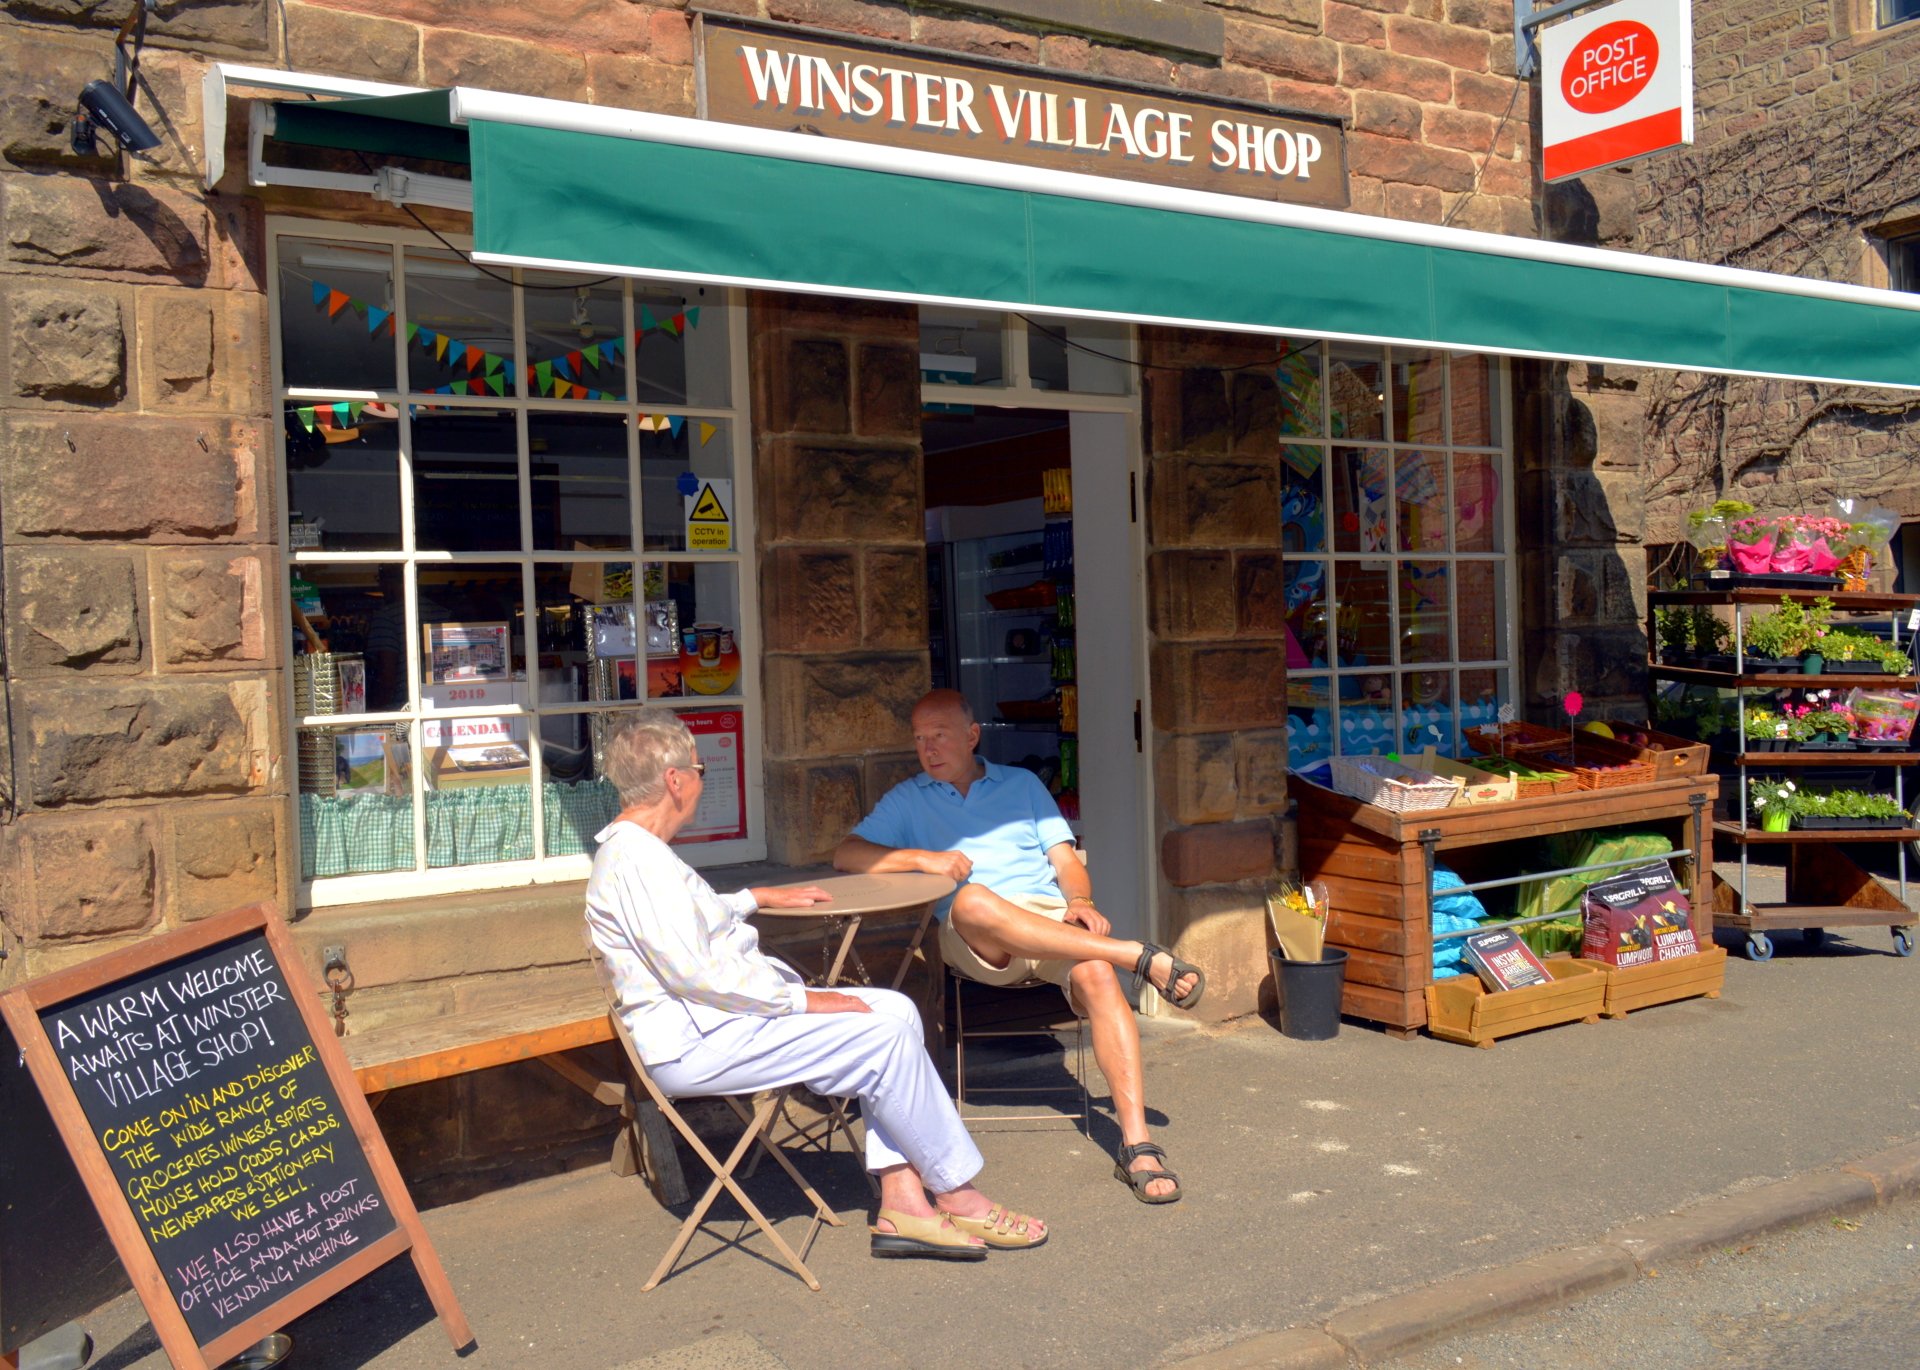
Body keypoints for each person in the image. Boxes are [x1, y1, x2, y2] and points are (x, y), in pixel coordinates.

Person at [586, 707, 1046, 1259]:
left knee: (896, 1010)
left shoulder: (644, 854)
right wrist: (810, 1000)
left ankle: (903, 1201)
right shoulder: (637, 863)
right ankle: (959, 1194)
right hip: (700, 1039)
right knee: (882, 1037)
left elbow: (688, 923)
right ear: (674, 780)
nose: (703, 778)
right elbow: (697, 975)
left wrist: (755, 897)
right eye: (700, 768)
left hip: (718, 1022)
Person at [834, 689, 1205, 1205]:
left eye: (939, 735)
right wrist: (925, 859)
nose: (928, 748)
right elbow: (848, 853)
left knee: (1096, 975)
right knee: (973, 900)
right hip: (976, 935)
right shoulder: (909, 798)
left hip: (1048, 920)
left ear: (971, 735)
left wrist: (1079, 898)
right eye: (919, 739)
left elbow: (1066, 858)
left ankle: (1137, 1145)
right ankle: (1136, 955)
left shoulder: (1022, 784)